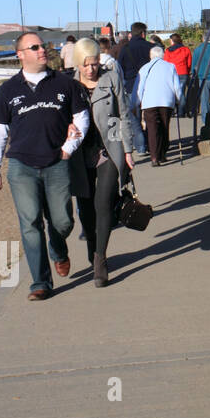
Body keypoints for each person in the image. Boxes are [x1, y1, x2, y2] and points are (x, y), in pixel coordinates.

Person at [0, 31, 89, 301]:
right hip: (21, 166)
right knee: (30, 224)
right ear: (20, 54)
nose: (42, 51)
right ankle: (41, 282)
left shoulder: (65, 84)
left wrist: (68, 149)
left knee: (63, 221)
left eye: (43, 46)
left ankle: (59, 248)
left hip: (57, 162)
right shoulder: (8, 89)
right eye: (34, 47)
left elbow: (82, 118)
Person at [69, 39, 136, 287]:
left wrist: (127, 150)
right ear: (78, 63)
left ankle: (100, 260)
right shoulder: (69, 84)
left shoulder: (111, 79)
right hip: (79, 154)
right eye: (86, 65)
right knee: (85, 211)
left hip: (108, 149)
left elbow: (123, 114)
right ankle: (92, 246)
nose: (91, 70)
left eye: (95, 63)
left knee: (103, 203)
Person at [135, 45, 181, 166]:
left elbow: (139, 87)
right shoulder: (170, 67)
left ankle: (154, 157)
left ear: (151, 56)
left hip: (149, 102)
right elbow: (177, 86)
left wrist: (135, 103)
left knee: (152, 129)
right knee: (164, 127)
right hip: (167, 102)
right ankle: (162, 154)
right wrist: (181, 100)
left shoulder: (144, 68)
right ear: (163, 55)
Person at [118, 23, 152, 155]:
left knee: (134, 118)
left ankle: (140, 146)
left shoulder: (125, 49)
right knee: (149, 117)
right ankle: (151, 143)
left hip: (131, 86)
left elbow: (120, 70)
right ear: (143, 33)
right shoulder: (151, 47)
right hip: (149, 87)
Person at [164, 33, 192, 114]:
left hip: (172, 73)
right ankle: (181, 112)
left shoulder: (168, 51)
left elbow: (166, 63)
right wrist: (187, 71)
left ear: (172, 41)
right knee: (181, 93)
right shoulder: (186, 49)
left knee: (172, 93)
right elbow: (189, 63)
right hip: (183, 72)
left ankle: (172, 111)